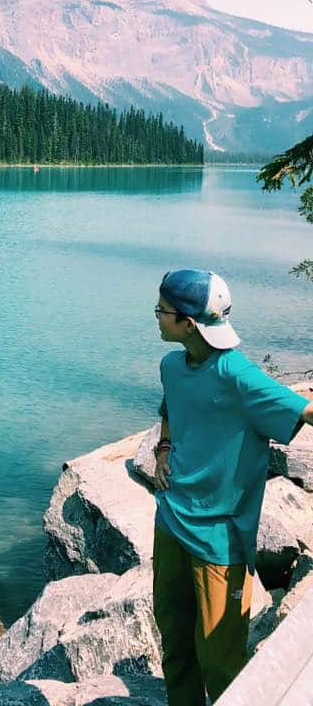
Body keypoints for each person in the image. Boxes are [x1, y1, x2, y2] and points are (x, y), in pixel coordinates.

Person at [152, 268, 313, 704]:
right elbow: (171, 403)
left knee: (221, 660)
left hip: (219, 538)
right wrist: (163, 448)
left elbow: (305, 411)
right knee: (175, 642)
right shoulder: (172, 363)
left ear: (189, 322)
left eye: (162, 310)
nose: (156, 317)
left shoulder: (238, 375)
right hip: (170, 521)